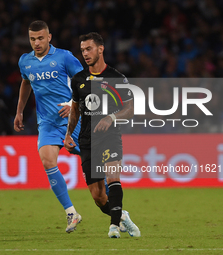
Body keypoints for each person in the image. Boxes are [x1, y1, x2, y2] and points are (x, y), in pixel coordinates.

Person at [64, 32, 141, 238]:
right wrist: (68, 134)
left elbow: (130, 109)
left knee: (113, 176)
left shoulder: (117, 78)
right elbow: (75, 110)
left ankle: (114, 227)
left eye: (89, 49)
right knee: (98, 197)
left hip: (109, 136)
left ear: (100, 49)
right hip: (87, 140)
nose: (85, 54)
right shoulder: (79, 79)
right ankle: (122, 216)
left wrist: (111, 118)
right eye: (82, 50)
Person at [14, 20, 83, 233]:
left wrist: (73, 103)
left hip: (73, 119)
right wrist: (19, 111)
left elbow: (84, 82)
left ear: (49, 37)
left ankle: (116, 209)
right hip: (47, 123)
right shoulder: (25, 61)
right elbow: (26, 82)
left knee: (92, 170)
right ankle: (71, 212)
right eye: (32, 39)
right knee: (47, 160)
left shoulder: (64, 57)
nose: (36, 42)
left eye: (40, 38)